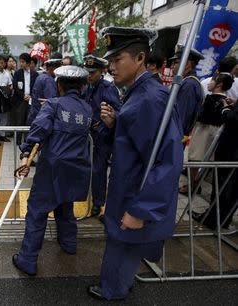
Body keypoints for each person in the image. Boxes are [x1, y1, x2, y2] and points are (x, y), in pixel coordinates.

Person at [87, 27, 184, 301]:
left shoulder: (150, 99)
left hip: (134, 193)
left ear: (140, 57)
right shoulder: (138, 92)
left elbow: (166, 160)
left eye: (118, 59)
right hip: (128, 187)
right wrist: (115, 123)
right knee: (123, 244)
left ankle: (113, 290)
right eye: (110, 61)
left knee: (123, 244)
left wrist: (141, 209)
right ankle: (117, 285)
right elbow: (138, 141)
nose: (111, 67)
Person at [12, 65, 92, 276]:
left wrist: (25, 154)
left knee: (37, 211)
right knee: (65, 206)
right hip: (76, 168)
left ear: (58, 86)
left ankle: (28, 260)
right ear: (82, 88)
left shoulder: (53, 105)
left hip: (53, 168)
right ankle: (69, 244)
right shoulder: (87, 109)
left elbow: (38, 130)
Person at [180, 73, 234, 195]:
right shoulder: (226, 101)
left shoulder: (211, 99)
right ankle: (196, 184)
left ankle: (193, 186)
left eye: (212, 81)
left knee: (195, 158)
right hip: (215, 133)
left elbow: (201, 115)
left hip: (203, 131)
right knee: (207, 161)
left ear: (219, 84)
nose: (209, 83)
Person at [83, 54, 121, 217]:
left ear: (101, 71)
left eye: (93, 72)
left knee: (99, 171)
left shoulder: (108, 87)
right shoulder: (88, 86)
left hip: (102, 136)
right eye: (88, 71)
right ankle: (90, 197)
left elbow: (117, 111)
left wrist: (103, 123)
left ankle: (98, 203)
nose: (90, 75)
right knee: (89, 169)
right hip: (88, 135)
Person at [170, 45, 204, 140]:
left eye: (175, 62)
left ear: (187, 64)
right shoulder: (187, 82)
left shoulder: (189, 85)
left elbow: (180, 119)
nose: (172, 66)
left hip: (175, 138)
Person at [11, 53, 39, 145]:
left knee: (29, 121)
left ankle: (27, 141)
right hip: (20, 100)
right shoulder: (18, 73)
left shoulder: (35, 74)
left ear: (28, 63)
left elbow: (36, 87)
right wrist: (23, 96)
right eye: (20, 62)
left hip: (31, 100)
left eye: (23, 62)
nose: (21, 64)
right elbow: (15, 86)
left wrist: (30, 96)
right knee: (19, 121)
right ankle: (18, 141)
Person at [28, 53, 62, 125]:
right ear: (52, 68)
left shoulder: (41, 77)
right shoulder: (48, 80)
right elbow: (52, 101)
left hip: (36, 115)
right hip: (43, 118)